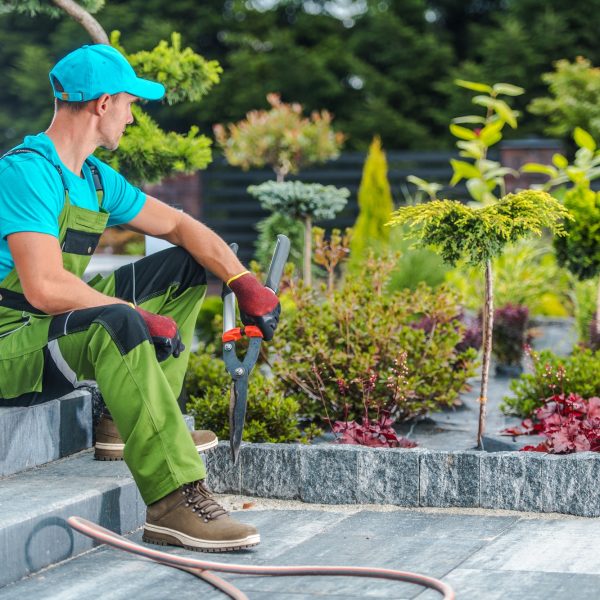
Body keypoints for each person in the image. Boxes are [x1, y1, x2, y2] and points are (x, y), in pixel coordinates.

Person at [0, 44, 280, 552]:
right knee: (118, 322)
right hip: (10, 346)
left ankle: (126, 424)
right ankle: (174, 500)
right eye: (130, 102)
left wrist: (241, 280)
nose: (132, 115)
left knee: (186, 264)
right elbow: (42, 287)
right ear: (103, 104)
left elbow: (178, 224)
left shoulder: (95, 180)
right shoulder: (26, 172)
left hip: (47, 325)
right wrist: (133, 313)